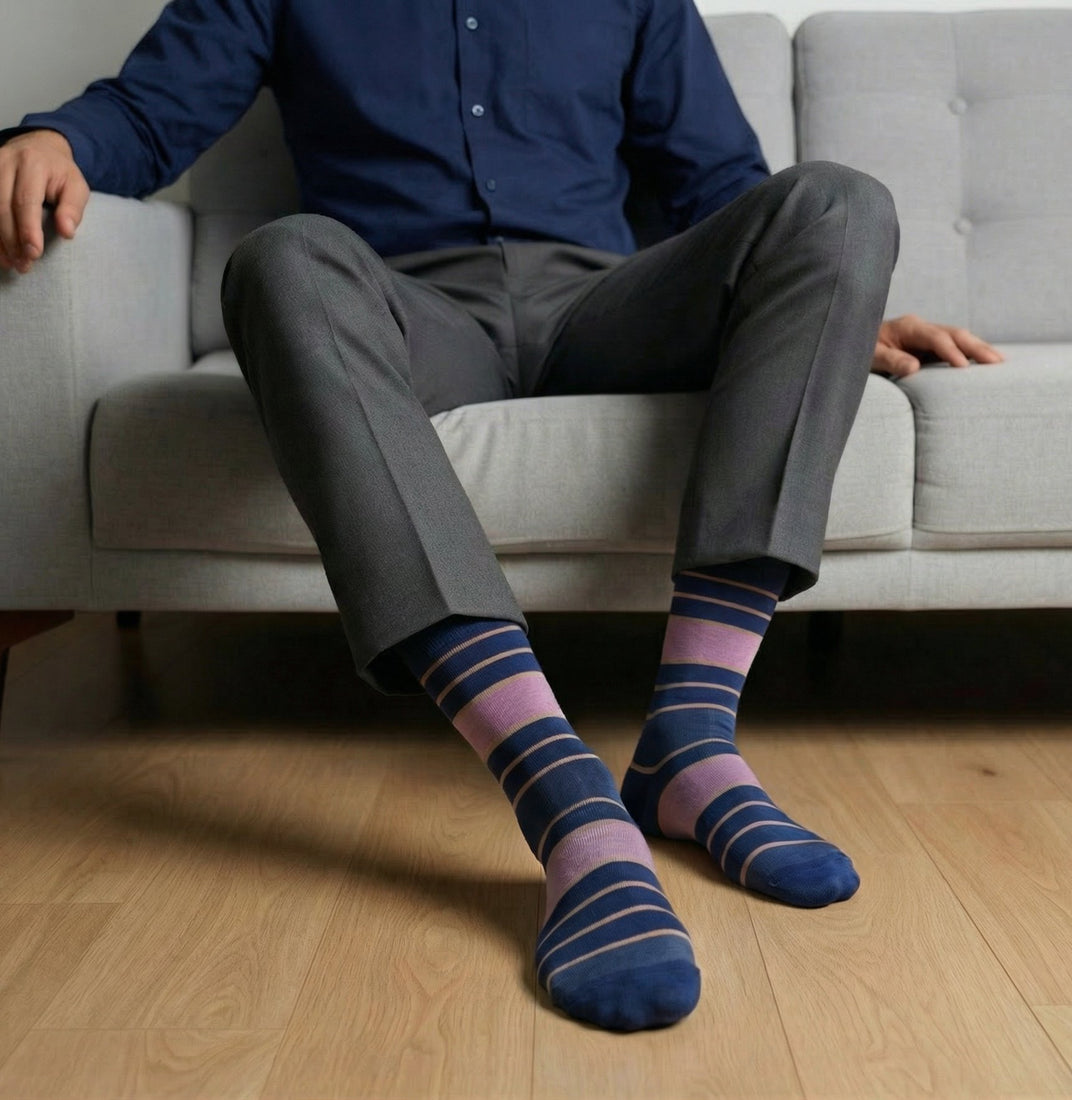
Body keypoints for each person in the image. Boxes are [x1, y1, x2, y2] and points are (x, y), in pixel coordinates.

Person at [0, 0, 1002, 1032]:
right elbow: (151, 111)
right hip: (412, 308)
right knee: (280, 257)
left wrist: (832, 304)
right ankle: (561, 790)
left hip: (602, 306)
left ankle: (691, 748)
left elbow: (719, 188)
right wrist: (56, 137)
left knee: (837, 204)